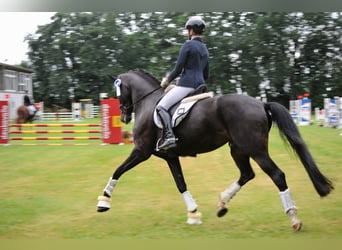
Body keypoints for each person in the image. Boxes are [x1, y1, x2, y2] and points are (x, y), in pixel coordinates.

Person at [156, 16, 209, 151]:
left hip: (187, 85)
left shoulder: (188, 45)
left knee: (161, 107)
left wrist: (167, 80)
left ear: (191, 31)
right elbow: (206, 74)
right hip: (200, 86)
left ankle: (169, 137)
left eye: (188, 30)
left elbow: (178, 68)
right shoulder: (204, 48)